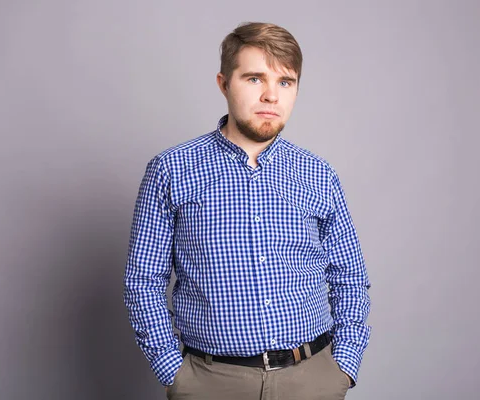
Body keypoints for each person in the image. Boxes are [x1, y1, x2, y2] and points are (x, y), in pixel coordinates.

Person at [124, 22, 371, 400]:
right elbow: (143, 281)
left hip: (311, 380)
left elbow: (350, 277)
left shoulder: (318, 175)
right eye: (255, 79)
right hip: (210, 383)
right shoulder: (171, 170)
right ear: (224, 84)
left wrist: (343, 367)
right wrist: (174, 371)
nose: (272, 95)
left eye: (286, 82)